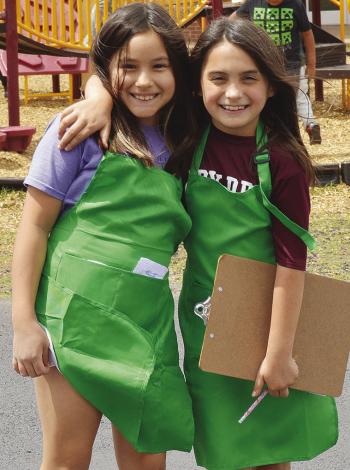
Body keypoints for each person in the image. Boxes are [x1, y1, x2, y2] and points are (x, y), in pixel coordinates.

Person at [56, 17, 338, 470]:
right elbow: (128, 73)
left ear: (270, 85)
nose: (233, 93)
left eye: (249, 78)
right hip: (206, 327)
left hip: (270, 326)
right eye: (218, 78)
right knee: (225, 450)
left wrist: (279, 352)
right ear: (197, 85)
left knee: (268, 450)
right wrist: (98, 96)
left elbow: (292, 264)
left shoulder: (281, 160)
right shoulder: (187, 136)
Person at [11, 4, 197, 470]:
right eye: (128, 67)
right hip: (71, 323)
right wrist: (23, 325)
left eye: (159, 67)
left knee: (146, 463)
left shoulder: (190, 138)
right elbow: (33, 227)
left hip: (146, 326)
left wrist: (100, 90)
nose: (143, 81)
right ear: (108, 67)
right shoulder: (79, 130)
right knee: (66, 461)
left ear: (179, 71)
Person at [232, 0, 322, 145]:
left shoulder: (295, 5)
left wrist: (312, 64)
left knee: (298, 97)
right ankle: (279, 133)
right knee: (269, 98)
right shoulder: (254, 3)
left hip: (291, 64)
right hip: (264, 64)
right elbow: (232, 20)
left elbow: (308, 35)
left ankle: (308, 127)